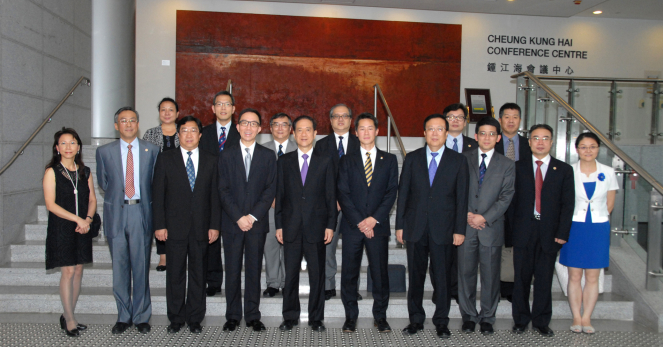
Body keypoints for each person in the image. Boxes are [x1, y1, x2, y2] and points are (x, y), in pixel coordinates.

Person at [396, 114, 469, 339]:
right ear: (424, 133)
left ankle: (441, 321)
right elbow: (404, 195)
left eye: (440, 129)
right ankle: (415, 319)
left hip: (444, 230)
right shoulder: (412, 159)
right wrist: (400, 226)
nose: (435, 133)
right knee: (416, 277)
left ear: (447, 134)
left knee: (442, 278)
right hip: (416, 228)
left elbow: (461, 198)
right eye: (431, 129)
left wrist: (459, 229)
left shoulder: (458, 160)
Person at [152, 116, 221, 334]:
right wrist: (159, 225)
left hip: (202, 227)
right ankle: (175, 318)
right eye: (184, 130)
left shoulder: (212, 159)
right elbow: (158, 195)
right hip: (173, 228)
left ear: (200, 135)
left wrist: (214, 225)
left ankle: (194, 319)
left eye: (193, 130)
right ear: (178, 135)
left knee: (199, 275)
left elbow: (215, 197)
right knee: (175, 275)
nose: (189, 135)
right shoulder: (165, 158)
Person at [96, 107, 159, 334]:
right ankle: (123, 315)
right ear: (116, 126)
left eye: (133, 120)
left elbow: (154, 182)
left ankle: (142, 316)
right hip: (117, 214)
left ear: (138, 124)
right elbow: (104, 183)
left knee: (141, 266)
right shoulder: (104, 152)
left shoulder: (151, 149)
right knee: (120, 267)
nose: (129, 124)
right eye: (124, 121)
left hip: (141, 213)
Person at [511, 124, 574, 337]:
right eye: (536, 138)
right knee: (520, 279)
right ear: (528, 142)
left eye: (545, 138)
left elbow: (568, 205)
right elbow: (511, 202)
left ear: (552, 141)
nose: (540, 142)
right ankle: (520, 320)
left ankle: (541, 321)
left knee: (544, 279)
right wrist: (509, 232)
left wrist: (563, 233)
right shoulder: (517, 167)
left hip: (550, 233)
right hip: (522, 231)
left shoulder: (564, 170)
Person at [337, 113, 398, 333]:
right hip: (353, 227)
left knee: (380, 273)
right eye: (361, 128)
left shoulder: (389, 160)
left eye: (370, 128)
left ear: (377, 131)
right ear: (356, 132)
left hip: (378, 227)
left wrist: (373, 220)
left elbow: (391, 193)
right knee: (349, 274)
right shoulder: (347, 160)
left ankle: (380, 317)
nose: (365, 132)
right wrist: (360, 221)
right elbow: (343, 193)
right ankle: (350, 317)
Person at [275, 116, 336, 332]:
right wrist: (279, 225)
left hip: (317, 228)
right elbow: (280, 196)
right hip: (290, 227)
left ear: (315, 133)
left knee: (317, 276)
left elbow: (331, 196)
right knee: (290, 275)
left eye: (308, 130)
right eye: (299, 130)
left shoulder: (326, 160)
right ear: (293, 133)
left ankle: (316, 318)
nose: (303, 134)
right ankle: (289, 316)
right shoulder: (284, 161)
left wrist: (330, 225)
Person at [219, 109, 277, 332]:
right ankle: (232, 315)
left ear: (260, 128)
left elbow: (270, 189)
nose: (249, 127)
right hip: (232, 223)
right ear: (238, 127)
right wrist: (238, 217)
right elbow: (222, 190)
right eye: (244, 123)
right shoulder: (226, 154)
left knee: (254, 270)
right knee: (232, 270)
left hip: (257, 223)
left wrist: (252, 216)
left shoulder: (267, 155)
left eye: (253, 124)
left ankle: (253, 315)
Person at [458, 117, 515, 335]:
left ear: (498, 138)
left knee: (491, 276)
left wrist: (484, 217)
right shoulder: (462, 159)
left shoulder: (507, 164)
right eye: (483, 133)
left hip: (490, 228)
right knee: (465, 274)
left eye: (492, 134)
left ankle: (488, 317)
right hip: (465, 226)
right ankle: (469, 316)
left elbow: (506, 195)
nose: (487, 137)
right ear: (475, 136)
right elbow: (456, 190)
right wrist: (466, 214)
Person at [560, 132, 618, 334]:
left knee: (593, 276)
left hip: (597, 227)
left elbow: (609, 204)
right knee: (574, 275)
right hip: (574, 226)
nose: (588, 150)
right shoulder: (568, 171)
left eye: (592, 146)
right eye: (583, 147)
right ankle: (576, 316)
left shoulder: (608, 172)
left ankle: (587, 318)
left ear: (598, 148)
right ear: (576, 149)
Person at [43, 128, 97, 337]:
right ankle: (70, 319)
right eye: (63, 143)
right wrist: (78, 219)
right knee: (68, 271)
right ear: (57, 148)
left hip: (83, 226)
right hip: (62, 227)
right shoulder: (52, 172)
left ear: (79, 147)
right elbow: (50, 204)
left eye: (72, 142)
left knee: (78, 271)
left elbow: (92, 200)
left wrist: (88, 220)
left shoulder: (85, 171)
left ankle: (68, 314)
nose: (68, 147)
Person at [312, 103, 361, 301]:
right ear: (330, 121)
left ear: (350, 121)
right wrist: (333, 200)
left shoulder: (360, 143)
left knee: (353, 250)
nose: (340, 119)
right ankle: (328, 285)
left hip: (355, 207)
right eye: (336, 116)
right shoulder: (321, 145)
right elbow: (318, 177)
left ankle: (351, 288)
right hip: (328, 206)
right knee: (327, 247)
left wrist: (344, 200)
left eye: (345, 116)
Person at [199, 91, 240, 297]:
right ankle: (213, 280)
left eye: (227, 104)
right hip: (208, 195)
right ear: (213, 108)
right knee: (211, 239)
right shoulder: (202, 134)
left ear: (234, 109)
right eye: (219, 104)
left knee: (233, 242)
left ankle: (234, 280)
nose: (223, 108)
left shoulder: (242, 133)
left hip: (235, 197)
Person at [495, 102, 531, 302]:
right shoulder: (493, 142)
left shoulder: (529, 144)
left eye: (515, 116)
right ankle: (500, 287)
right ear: (500, 120)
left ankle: (516, 288)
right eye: (506, 116)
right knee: (499, 247)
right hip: (497, 203)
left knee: (518, 247)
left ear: (520, 120)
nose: (510, 120)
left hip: (523, 205)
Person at [442, 102, 478, 303]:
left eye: (459, 117)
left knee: (459, 255)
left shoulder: (474, 145)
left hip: (465, 208)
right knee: (439, 255)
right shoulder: (436, 142)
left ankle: (456, 291)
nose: (455, 121)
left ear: (465, 122)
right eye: (450, 117)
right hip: (441, 208)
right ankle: (442, 290)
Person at [142, 97, 180, 272]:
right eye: (163, 109)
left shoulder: (185, 131)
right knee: (160, 217)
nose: (167, 113)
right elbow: (144, 161)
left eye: (170, 109)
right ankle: (163, 256)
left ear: (177, 113)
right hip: (157, 182)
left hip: (181, 183)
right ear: (159, 113)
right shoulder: (150, 134)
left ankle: (178, 252)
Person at [261, 112, 297, 297]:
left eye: (284, 125)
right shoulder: (261, 149)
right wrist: (271, 199)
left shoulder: (299, 148)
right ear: (270, 128)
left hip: (292, 208)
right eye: (276, 124)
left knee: (290, 247)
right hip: (269, 207)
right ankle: (273, 283)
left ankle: (288, 283)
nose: (280, 128)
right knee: (271, 246)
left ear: (291, 129)